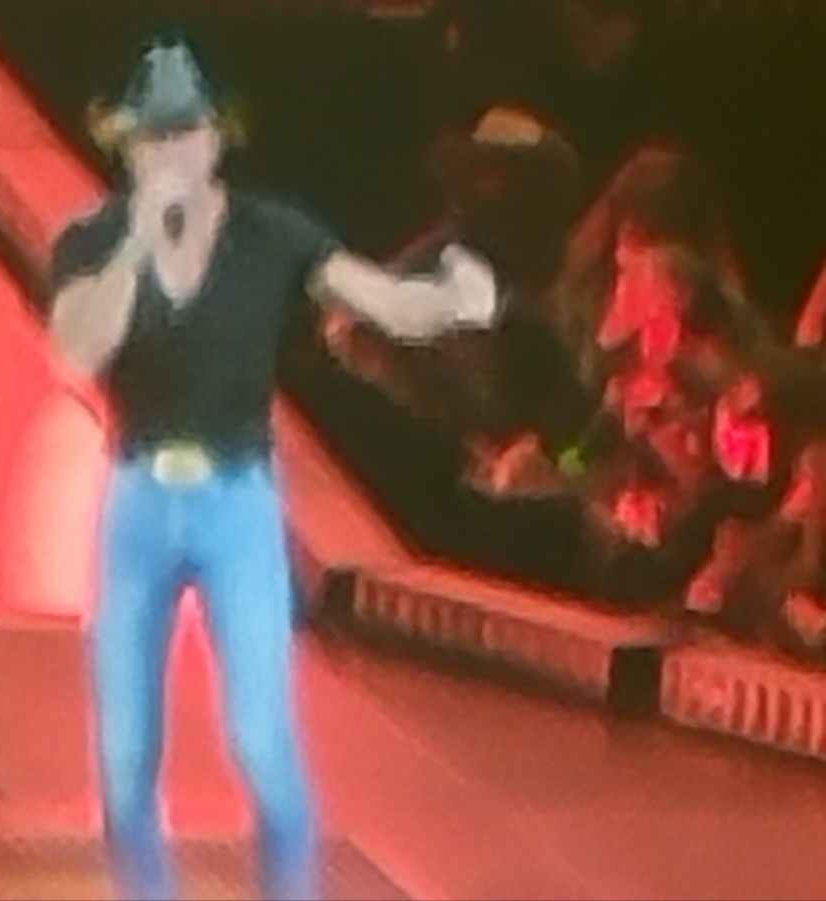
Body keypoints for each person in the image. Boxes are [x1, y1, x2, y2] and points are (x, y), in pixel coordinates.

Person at [45, 36, 500, 901]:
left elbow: (384, 301)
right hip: (138, 500)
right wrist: (135, 244)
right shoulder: (93, 238)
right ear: (128, 148)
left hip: (237, 504)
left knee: (263, 744)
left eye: (186, 134)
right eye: (153, 138)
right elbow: (75, 347)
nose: (171, 153)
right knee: (125, 762)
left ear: (216, 139)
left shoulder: (271, 233)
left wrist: (452, 302)